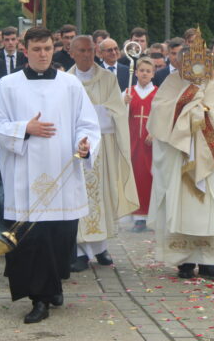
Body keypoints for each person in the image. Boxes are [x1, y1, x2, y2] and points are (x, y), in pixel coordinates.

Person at [0, 27, 100, 324]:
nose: (42, 54)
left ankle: (52, 285)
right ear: (25, 51)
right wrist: (24, 128)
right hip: (24, 177)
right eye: (36, 49)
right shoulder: (8, 85)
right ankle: (39, 298)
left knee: (60, 238)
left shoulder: (70, 85)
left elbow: (87, 123)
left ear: (54, 49)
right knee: (32, 240)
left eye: (47, 48)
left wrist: (86, 143)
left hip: (62, 173)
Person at [146, 34, 214, 278]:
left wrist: (205, 114)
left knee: (212, 206)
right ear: (181, 63)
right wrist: (188, 109)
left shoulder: (212, 87)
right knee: (181, 207)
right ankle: (185, 261)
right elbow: (159, 114)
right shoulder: (171, 83)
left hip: (209, 160)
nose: (195, 68)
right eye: (190, 62)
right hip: (180, 159)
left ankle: (210, 261)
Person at [68, 35, 139, 271]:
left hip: (102, 146)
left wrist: (99, 113)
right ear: (72, 53)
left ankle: (100, 247)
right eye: (82, 51)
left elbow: (116, 113)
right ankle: (78, 250)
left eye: (90, 50)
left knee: (101, 196)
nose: (87, 55)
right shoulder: (66, 81)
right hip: (76, 147)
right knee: (79, 196)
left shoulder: (108, 79)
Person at [123, 58, 157, 232]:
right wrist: (123, 104)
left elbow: (163, 117)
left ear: (153, 74)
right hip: (132, 142)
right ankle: (137, 217)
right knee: (134, 177)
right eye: (141, 70)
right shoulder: (128, 92)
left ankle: (149, 215)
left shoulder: (158, 94)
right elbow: (117, 117)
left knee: (149, 177)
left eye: (148, 71)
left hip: (150, 143)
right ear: (136, 72)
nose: (144, 73)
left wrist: (155, 132)